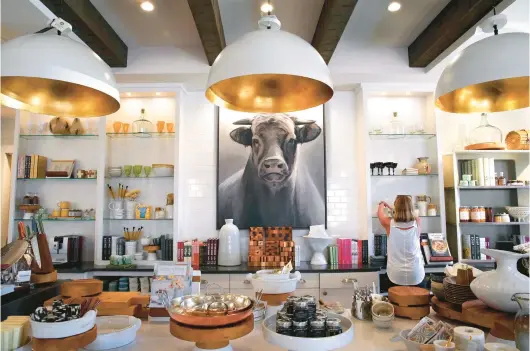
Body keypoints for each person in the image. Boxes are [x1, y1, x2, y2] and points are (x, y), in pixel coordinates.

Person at [377, 195, 425, 287]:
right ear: (411, 207)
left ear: (396, 208)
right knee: (418, 301)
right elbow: (407, 214)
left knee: (397, 300)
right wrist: (397, 209)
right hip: (416, 274)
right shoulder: (417, 222)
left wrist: (382, 204)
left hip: (395, 274)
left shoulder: (388, 223)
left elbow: (380, 214)